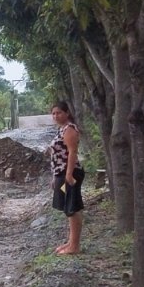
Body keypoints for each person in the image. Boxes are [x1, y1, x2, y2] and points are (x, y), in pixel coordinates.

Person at [48, 100, 84, 254]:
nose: (56, 116)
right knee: (67, 206)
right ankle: (70, 242)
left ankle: (74, 246)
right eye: (53, 113)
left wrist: (69, 174)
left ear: (67, 113)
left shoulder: (69, 129)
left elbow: (72, 152)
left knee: (72, 207)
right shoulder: (61, 129)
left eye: (59, 113)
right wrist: (55, 177)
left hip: (70, 173)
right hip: (61, 173)